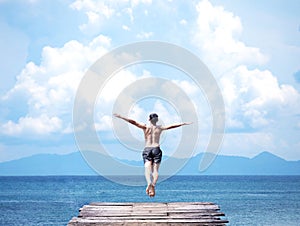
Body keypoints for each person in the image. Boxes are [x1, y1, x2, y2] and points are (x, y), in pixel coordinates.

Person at [113, 113, 192, 197]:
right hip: (156, 149)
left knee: (147, 169)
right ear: (157, 120)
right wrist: (182, 124)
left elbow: (133, 122)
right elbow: (171, 126)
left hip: (147, 149)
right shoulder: (160, 128)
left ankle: (149, 183)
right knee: (155, 170)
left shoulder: (145, 127)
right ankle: (153, 185)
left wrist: (122, 117)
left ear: (149, 119)